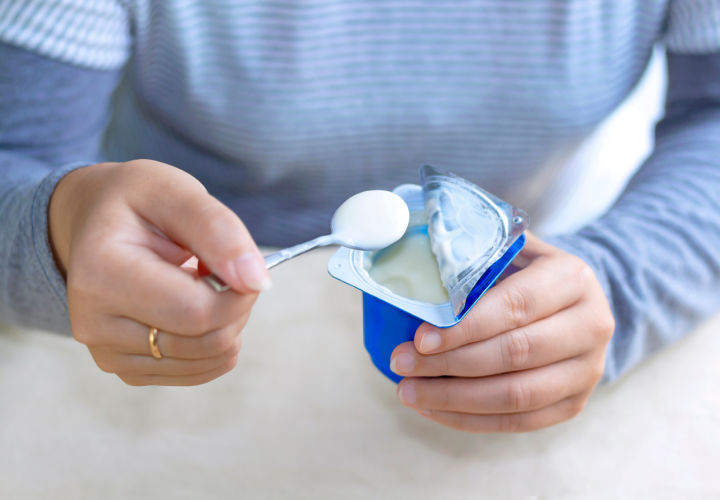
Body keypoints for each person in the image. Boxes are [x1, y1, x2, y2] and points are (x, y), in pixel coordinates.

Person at [1, 1, 718, 433]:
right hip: (140, 348)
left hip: (519, 312)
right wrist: (60, 232)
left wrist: (619, 279)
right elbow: (16, 154)